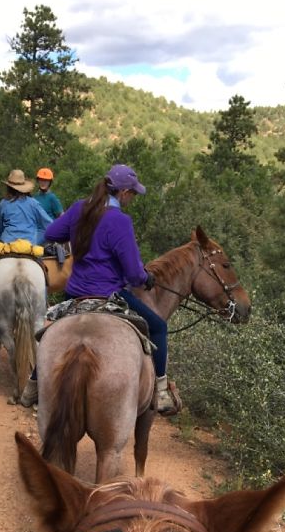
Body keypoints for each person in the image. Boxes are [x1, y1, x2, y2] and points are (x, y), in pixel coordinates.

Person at [19, 163, 176, 415]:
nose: (132, 199)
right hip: (109, 295)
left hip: (75, 293)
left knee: (55, 331)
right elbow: (133, 273)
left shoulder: (80, 208)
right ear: (123, 193)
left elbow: (52, 232)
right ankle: (161, 390)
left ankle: (33, 385)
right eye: (132, 194)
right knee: (158, 327)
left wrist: (76, 232)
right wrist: (145, 277)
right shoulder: (120, 221)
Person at [0, 169, 52, 306]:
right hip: (29, 247)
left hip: (6, 245)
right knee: (43, 272)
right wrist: (38, 240)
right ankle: (44, 302)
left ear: (9, 187)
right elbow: (49, 224)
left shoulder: (4, 203)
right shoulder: (34, 203)